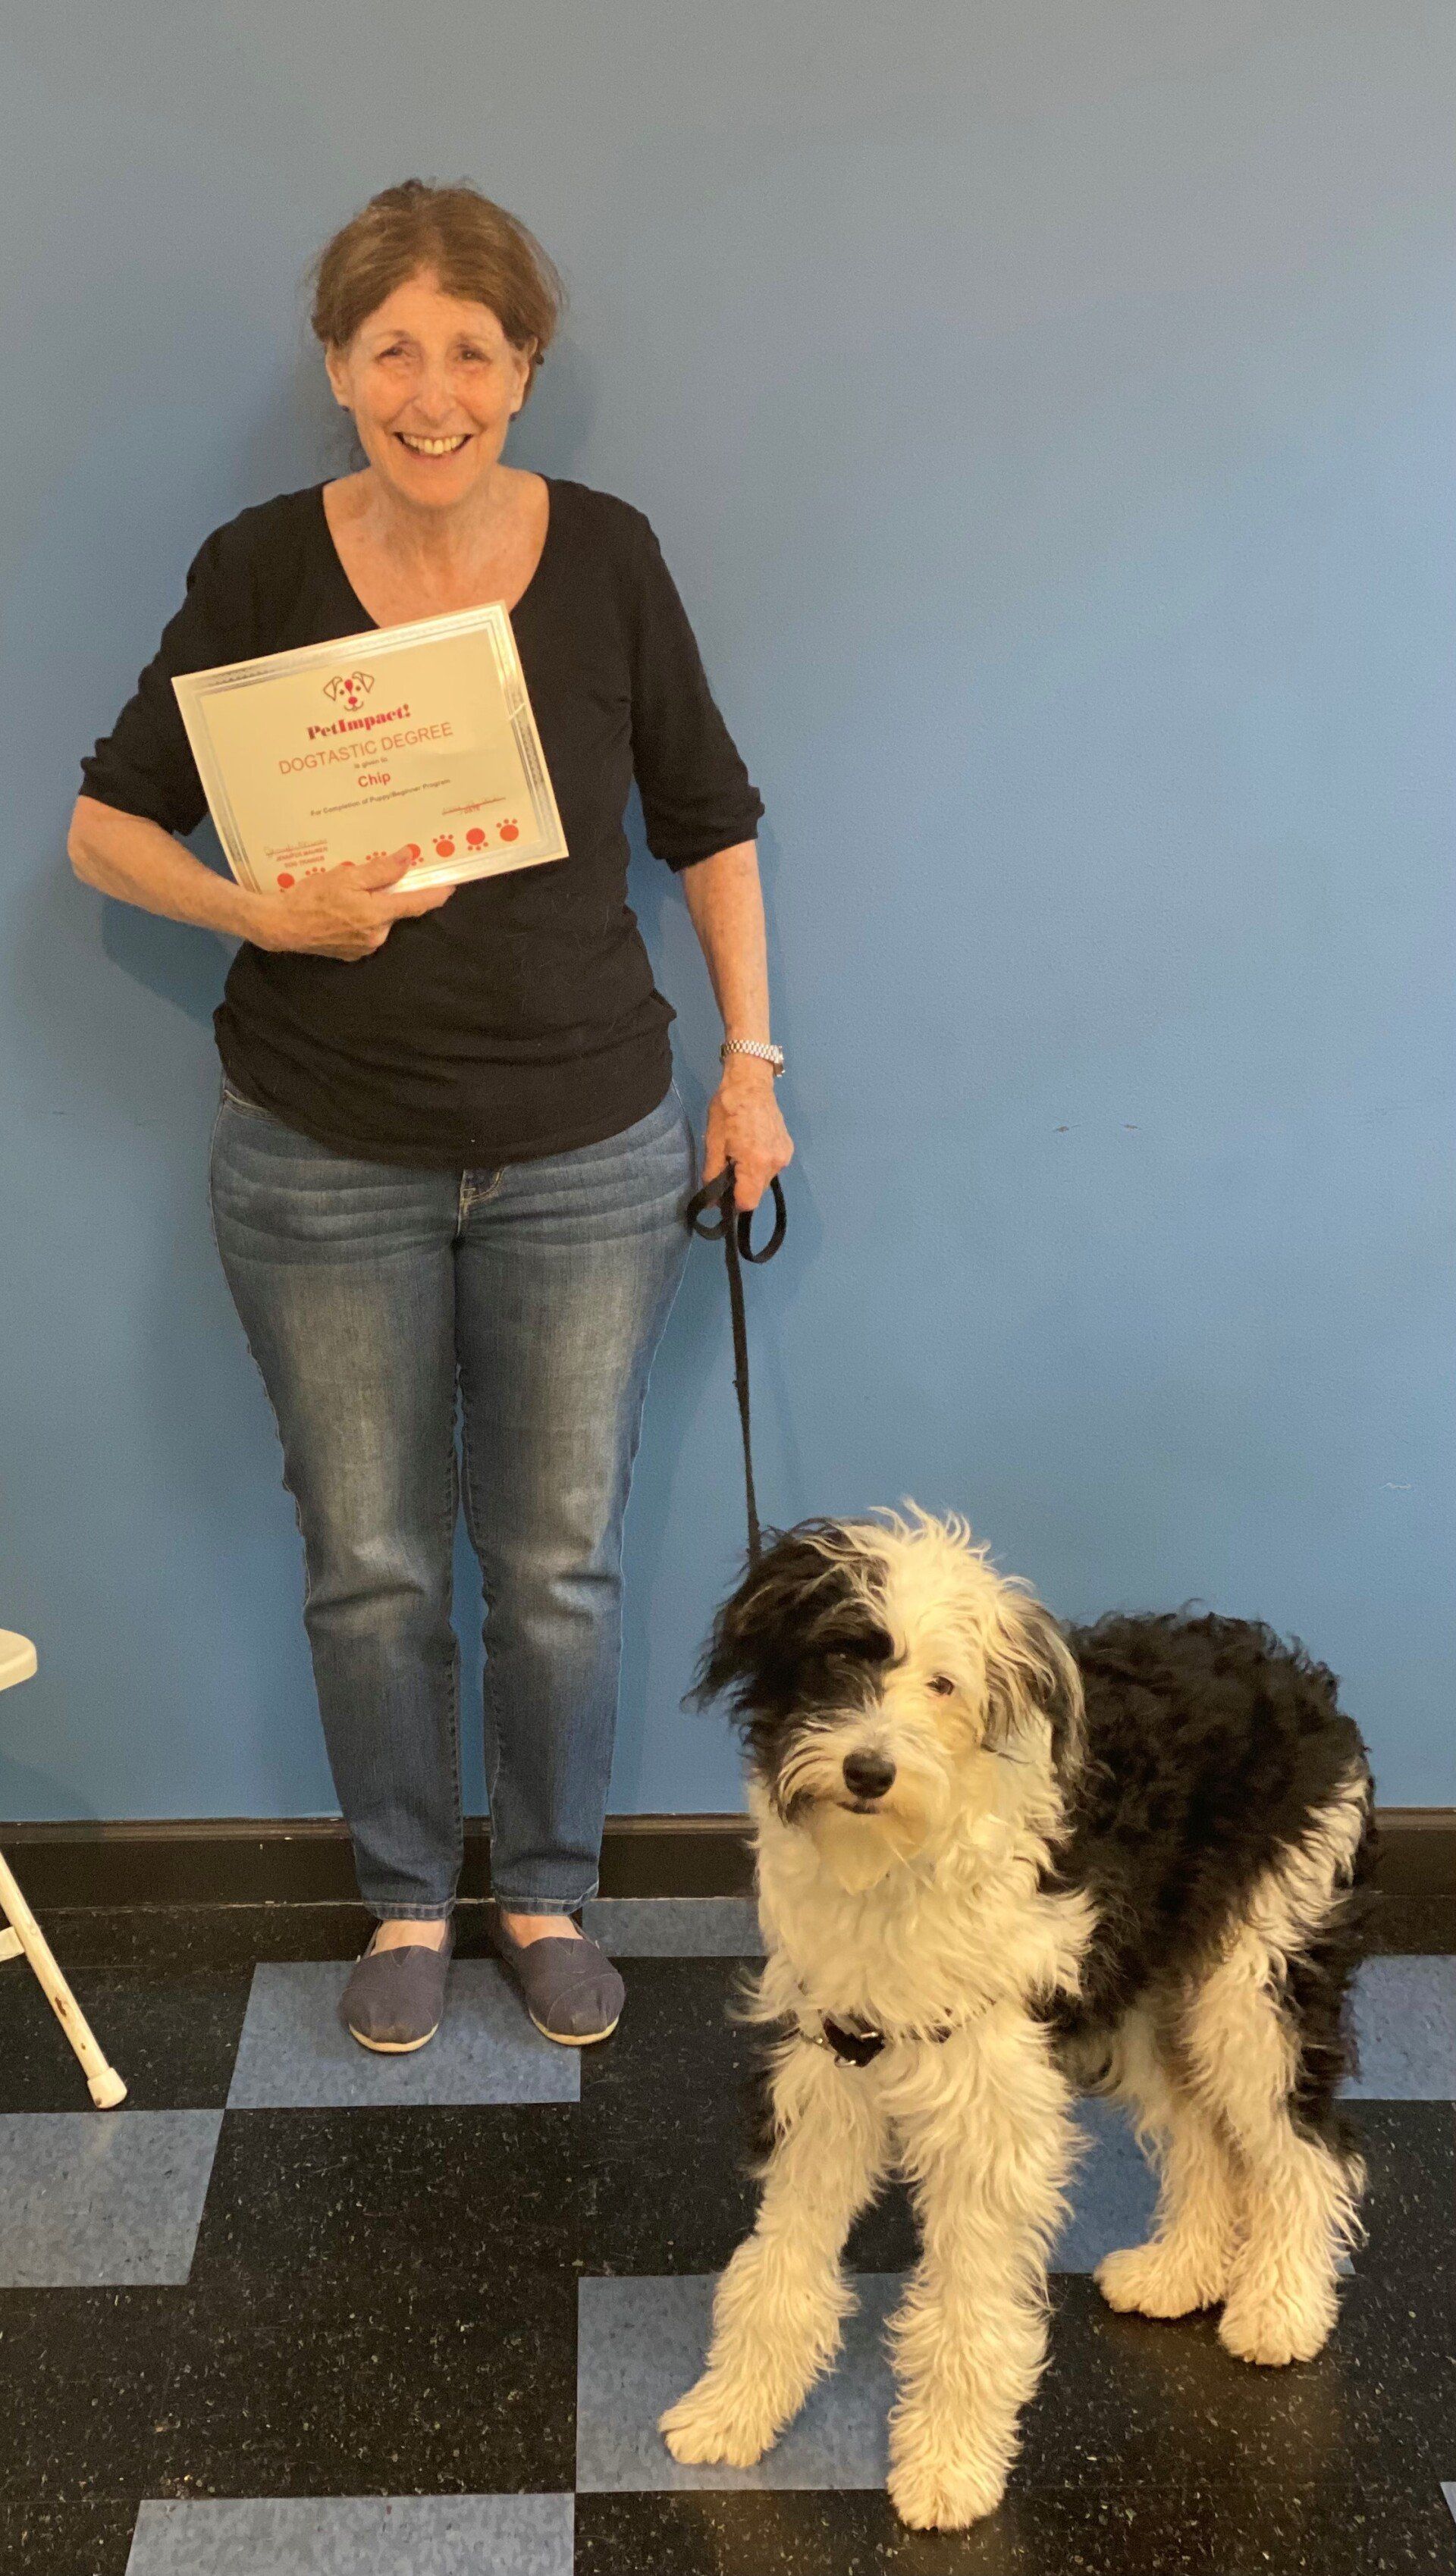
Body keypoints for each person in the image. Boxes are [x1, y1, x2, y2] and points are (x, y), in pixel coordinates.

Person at [69, 179, 793, 2055]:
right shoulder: (259, 566)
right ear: (337, 365)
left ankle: (546, 1888)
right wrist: (260, 908)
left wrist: (751, 1068)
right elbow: (102, 823)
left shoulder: (613, 556)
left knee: (557, 1559)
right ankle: (406, 1904)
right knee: (373, 1559)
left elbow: (708, 817)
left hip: (588, 1143)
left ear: (525, 367)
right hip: (319, 1152)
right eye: (392, 346)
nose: (433, 386)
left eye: (472, 347)